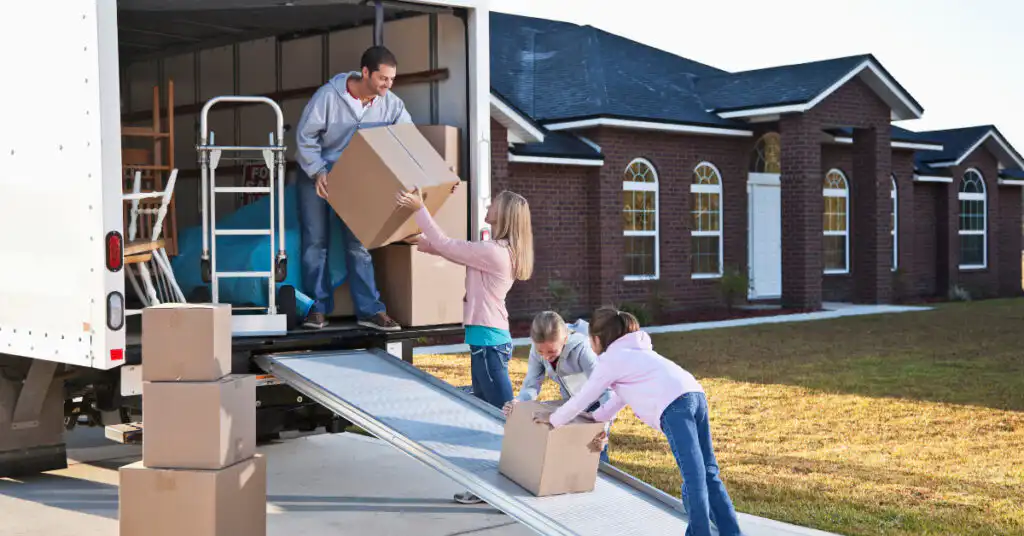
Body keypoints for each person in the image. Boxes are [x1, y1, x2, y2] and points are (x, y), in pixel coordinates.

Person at [533, 307, 743, 536]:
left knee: (694, 476)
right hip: (695, 394)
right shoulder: (635, 353)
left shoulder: (611, 360)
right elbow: (621, 397)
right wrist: (596, 417)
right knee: (708, 472)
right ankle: (732, 532)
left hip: (674, 405)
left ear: (596, 339)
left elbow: (584, 397)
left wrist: (553, 419)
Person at [396, 188, 533, 506]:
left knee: (502, 420)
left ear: (506, 214)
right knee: (488, 419)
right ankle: (489, 488)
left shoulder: (495, 251)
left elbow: (449, 245)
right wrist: (423, 244)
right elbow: (450, 250)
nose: (489, 205)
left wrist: (420, 209)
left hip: (488, 344)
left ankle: (513, 490)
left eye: (494, 204)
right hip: (486, 342)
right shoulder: (496, 249)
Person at [294, 45, 411, 331]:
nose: (388, 85)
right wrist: (318, 171)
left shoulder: (391, 104)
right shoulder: (328, 97)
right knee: (315, 243)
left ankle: (370, 311)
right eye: (383, 78)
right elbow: (305, 136)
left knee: (359, 245)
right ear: (365, 73)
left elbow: (405, 139)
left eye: (392, 79)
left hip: (357, 180)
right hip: (317, 173)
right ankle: (316, 309)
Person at [502, 311, 615, 464]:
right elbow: (531, 384)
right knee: (571, 454)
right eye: (541, 351)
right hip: (571, 405)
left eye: (552, 352)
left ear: (565, 339)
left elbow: (605, 390)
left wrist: (604, 426)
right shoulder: (537, 351)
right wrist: (519, 402)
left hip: (597, 406)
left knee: (595, 455)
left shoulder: (582, 350)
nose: (546, 357)